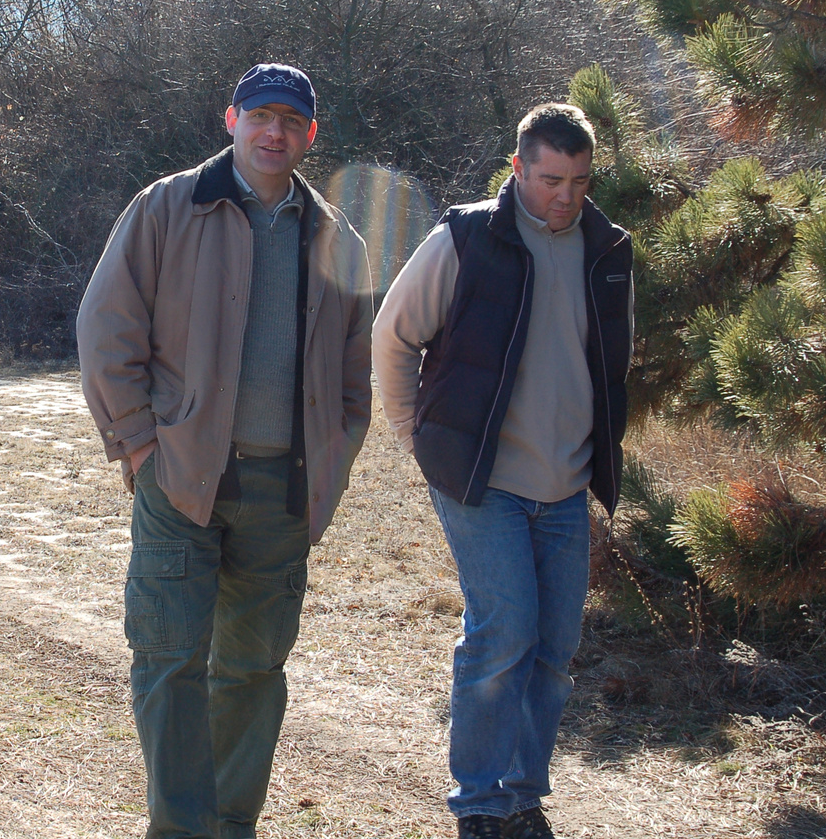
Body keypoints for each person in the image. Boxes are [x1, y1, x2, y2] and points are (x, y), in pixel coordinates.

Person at [78, 63, 374, 839]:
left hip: (282, 494)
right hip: (180, 483)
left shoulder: (336, 238)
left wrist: (327, 480)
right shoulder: (170, 207)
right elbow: (107, 330)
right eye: (261, 116)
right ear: (230, 119)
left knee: (252, 670)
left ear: (311, 136)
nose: (274, 133)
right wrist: (141, 447)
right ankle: (180, 830)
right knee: (170, 663)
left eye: (292, 122)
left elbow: (353, 381)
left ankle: (230, 826)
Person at [372, 104, 633, 839]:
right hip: (482, 480)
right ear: (518, 168)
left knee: (554, 648)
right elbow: (393, 337)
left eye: (580, 181)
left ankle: (522, 793)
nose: (566, 196)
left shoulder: (606, 248)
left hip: (566, 485)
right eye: (551, 179)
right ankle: (481, 803)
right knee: (504, 632)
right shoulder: (465, 239)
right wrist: (413, 437)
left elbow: (613, 362)